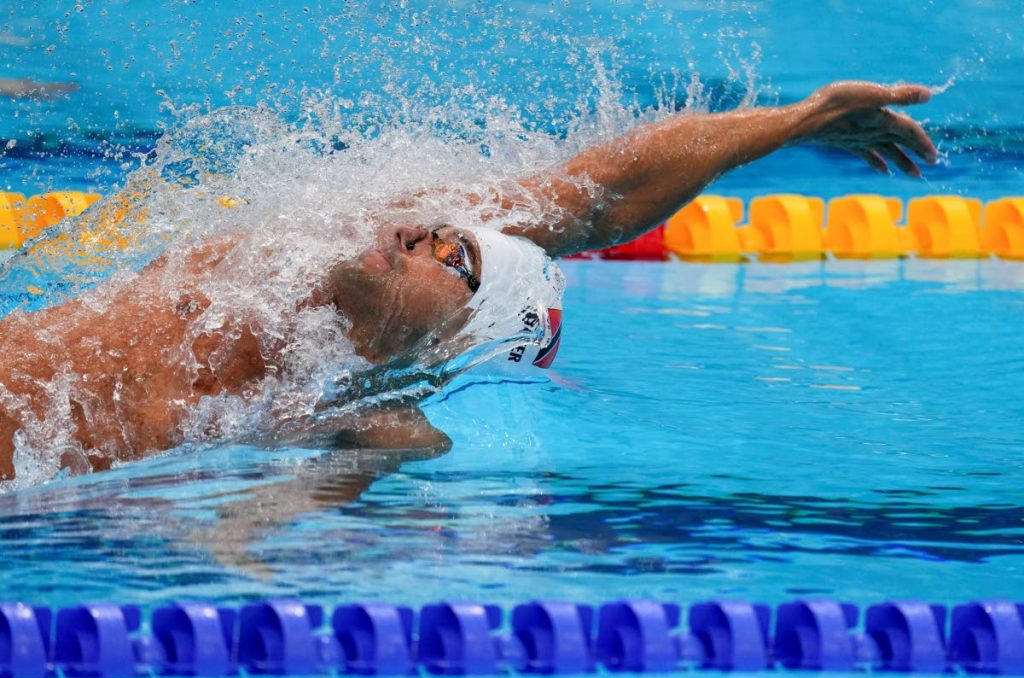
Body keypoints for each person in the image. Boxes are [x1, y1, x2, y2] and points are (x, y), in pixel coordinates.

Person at [0, 80, 938, 482]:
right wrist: (797, 118)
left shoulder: (367, 415)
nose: (420, 230)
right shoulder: (309, 243)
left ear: (456, 336)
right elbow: (596, 195)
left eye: (456, 258)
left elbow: (299, 506)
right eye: (443, 232)